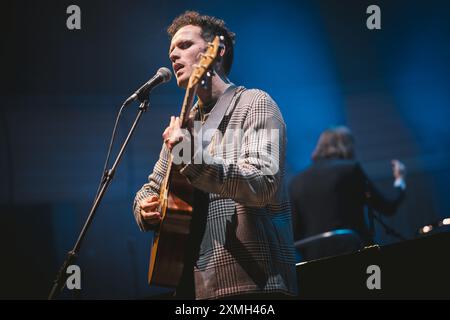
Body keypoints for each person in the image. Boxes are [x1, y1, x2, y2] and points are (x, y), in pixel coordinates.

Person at [132, 11, 297, 300]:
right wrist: (143, 207)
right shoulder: (182, 126)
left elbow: (262, 183)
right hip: (191, 285)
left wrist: (191, 157)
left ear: (216, 52)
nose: (173, 56)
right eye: (171, 51)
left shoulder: (254, 103)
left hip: (251, 283)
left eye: (184, 46)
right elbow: (151, 186)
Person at [289, 126, 406, 261]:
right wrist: (400, 180)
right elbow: (387, 207)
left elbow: (293, 232)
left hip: (314, 260)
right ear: (348, 146)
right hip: (352, 252)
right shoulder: (350, 170)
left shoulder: (296, 181)